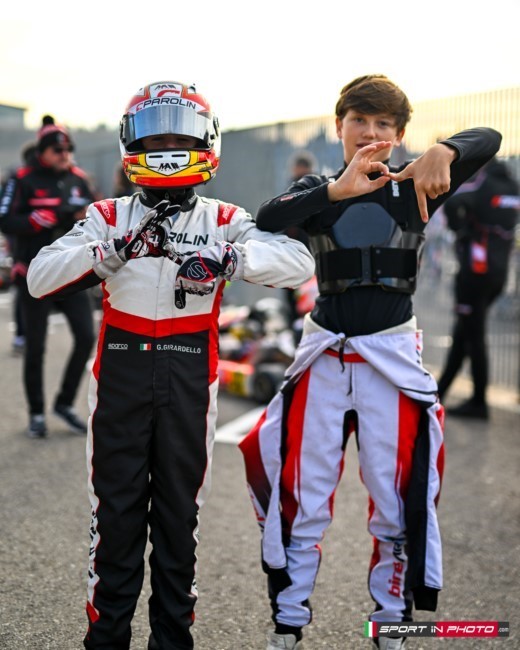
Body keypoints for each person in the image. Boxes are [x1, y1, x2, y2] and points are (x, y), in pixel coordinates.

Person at [26, 80, 314, 650]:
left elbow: (298, 262)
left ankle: (172, 641)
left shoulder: (225, 218)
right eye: (154, 138)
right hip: (120, 377)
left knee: (179, 522)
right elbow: (39, 277)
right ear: (132, 145)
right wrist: (111, 253)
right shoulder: (108, 215)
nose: (165, 148)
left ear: (204, 144)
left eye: (177, 138)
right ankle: (105, 638)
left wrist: (228, 257)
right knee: (115, 521)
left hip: (190, 378)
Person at [238, 74, 501, 650]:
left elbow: (491, 137)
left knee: (397, 500)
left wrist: (444, 150)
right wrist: (336, 192)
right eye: (359, 120)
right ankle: (287, 624)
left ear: (399, 134)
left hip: (391, 360)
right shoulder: (318, 189)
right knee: (302, 498)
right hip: (325, 357)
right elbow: (267, 217)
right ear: (339, 126)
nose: (370, 132)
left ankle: (390, 624)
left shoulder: (417, 185)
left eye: (384, 124)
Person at [0, 115, 97, 437]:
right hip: (35, 275)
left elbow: (99, 216)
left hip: (72, 274)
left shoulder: (79, 178)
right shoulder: (21, 178)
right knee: (36, 347)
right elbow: (5, 219)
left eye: (68, 149)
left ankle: (64, 403)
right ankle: (37, 413)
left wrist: (83, 217)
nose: (64, 154)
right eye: (57, 149)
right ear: (42, 151)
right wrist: (34, 220)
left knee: (86, 337)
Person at [437, 157, 519, 419]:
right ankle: (438, 394)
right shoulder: (514, 186)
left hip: (475, 273)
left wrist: (459, 229)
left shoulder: (481, 184)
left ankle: (479, 402)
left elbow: (452, 202)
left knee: (473, 335)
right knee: (465, 332)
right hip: (499, 274)